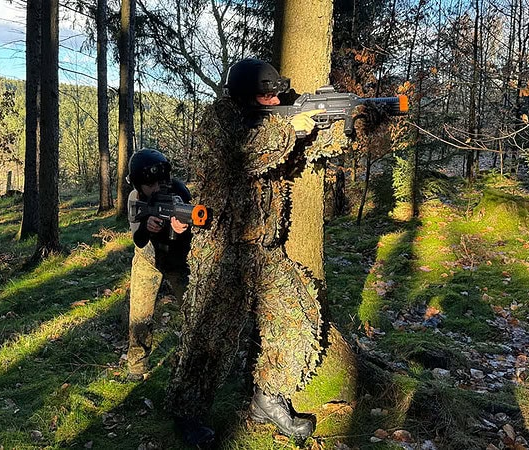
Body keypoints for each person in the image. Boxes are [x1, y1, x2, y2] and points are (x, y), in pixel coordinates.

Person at [166, 59, 386, 445]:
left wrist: (358, 118)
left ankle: (268, 398)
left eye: (275, 96)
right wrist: (289, 130)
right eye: (264, 95)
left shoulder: (276, 125)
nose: (272, 101)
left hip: (265, 251)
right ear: (242, 95)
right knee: (208, 339)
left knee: (299, 315)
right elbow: (244, 157)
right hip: (221, 252)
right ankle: (187, 411)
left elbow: (309, 147)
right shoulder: (218, 124)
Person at [126, 149, 192, 379]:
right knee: (140, 316)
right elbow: (139, 239)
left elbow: (192, 224)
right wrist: (147, 226)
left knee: (193, 312)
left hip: (178, 261)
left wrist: (181, 230)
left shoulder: (179, 191)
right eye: (149, 185)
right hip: (147, 259)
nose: (155, 189)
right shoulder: (135, 198)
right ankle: (136, 366)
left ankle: (191, 361)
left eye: (159, 183)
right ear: (137, 184)